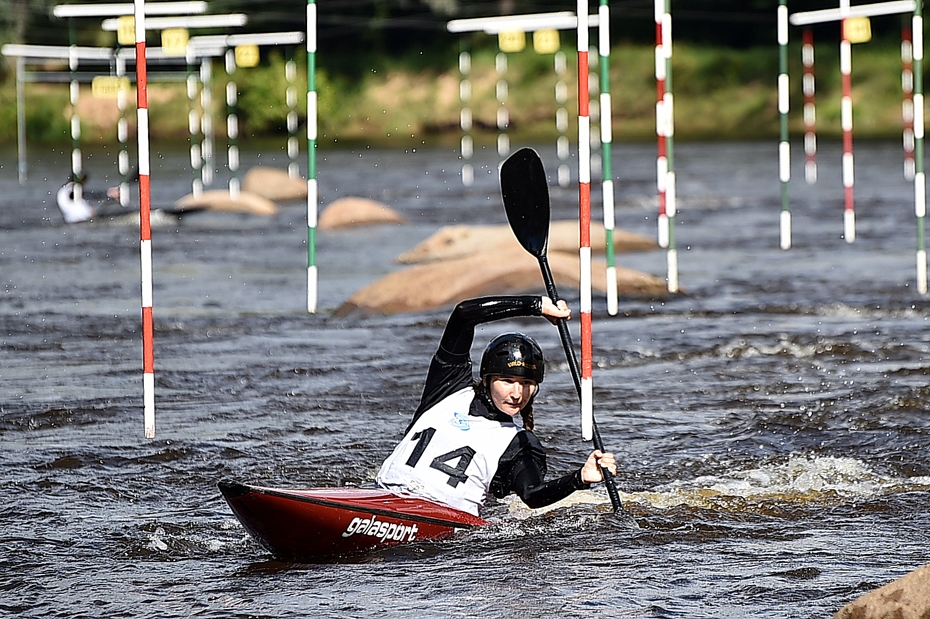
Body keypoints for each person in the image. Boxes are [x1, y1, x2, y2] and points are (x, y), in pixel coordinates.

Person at [376, 295, 617, 517]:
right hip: (382, 498)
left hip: (441, 518)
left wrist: (580, 478)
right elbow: (463, 314)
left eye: (527, 383)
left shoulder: (519, 443)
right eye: (507, 381)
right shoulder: (448, 389)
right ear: (487, 379)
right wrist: (536, 306)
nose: (517, 394)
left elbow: (533, 495)